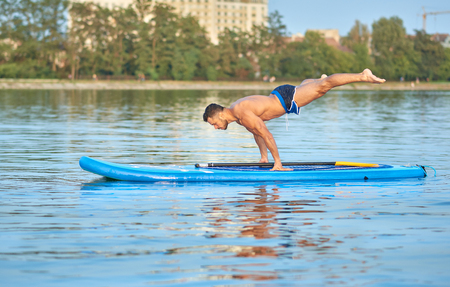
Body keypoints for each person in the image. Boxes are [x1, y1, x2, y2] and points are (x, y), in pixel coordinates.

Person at [203, 69, 386, 171]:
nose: (216, 127)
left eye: (214, 124)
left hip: (285, 99)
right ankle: (315, 79)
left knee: (324, 87)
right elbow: (257, 133)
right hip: (280, 95)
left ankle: (363, 75)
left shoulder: (241, 112)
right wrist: (264, 158)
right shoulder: (238, 115)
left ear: (219, 114)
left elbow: (267, 135)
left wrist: (278, 163)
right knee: (313, 86)